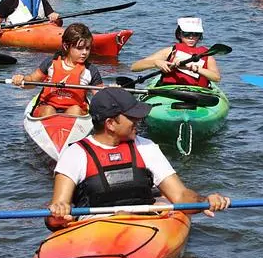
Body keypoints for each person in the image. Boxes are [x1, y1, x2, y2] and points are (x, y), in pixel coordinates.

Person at [46, 87, 231, 229]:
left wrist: (205, 200)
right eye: (132, 117)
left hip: (142, 225)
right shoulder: (75, 154)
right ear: (110, 123)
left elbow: (180, 195)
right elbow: (58, 208)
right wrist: (58, 215)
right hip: (94, 228)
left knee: (162, 203)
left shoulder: (146, 147)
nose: (138, 121)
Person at [12, 23, 101, 117]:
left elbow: (100, 96)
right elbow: (32, 81)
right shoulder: (50, 63)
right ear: (66, 46)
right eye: (79, 48)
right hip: (47, 107)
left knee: (75, 110)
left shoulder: (91, 70)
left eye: (87, 48)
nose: (84, 52)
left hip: (75, 111)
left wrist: (110, 92)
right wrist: (22, 80)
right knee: (48, 110)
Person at [130, 17, 221, 87]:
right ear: (179, 34)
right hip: (170, 90)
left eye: (195, 34)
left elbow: (216, 78)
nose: (191, 37)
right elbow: (134, 67)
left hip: (197, 92)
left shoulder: (206, 55)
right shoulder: (170, 51)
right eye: (186, 34)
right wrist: (156, 63)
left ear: (200, 36)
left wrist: (195, 69)